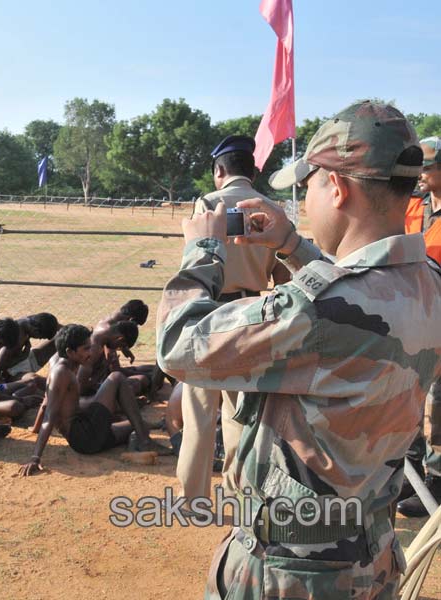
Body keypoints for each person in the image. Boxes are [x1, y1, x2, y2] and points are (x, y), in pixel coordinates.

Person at [156, 101, 433, 598]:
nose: (303, 201)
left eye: (307, 187)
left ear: (338, 187)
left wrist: (202, 250)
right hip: (372, 557)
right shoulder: (428, 284)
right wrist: (291, 244)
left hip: (290, 573)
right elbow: (359, 294)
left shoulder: (315, 311)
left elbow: (178, 346)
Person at [179, 135, 295, 507]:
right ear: (253, 170)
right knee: (239, 412)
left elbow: (195, 260)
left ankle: (192, 497)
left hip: (210, 312)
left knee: (199, 411)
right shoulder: (271, 209)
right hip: (249, 316)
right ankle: (239, 494)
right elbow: (282, 272)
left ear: (219, 170)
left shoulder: (210, 204)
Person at [19, 325, 166, 476]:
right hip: (85, 437)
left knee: (133, 424)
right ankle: (144, 441)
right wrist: (35, 458)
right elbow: (50, 414)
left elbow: (47, 403)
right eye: (86, 349)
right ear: (70, 352)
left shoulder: (68, 365)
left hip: (87, 435)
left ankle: (138, 438)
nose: (91, 353)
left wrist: (35, 428)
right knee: (116, 378)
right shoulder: (61, 373)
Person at [398, 136, 441, 517]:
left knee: (439, 404)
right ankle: (406, 473)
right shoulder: (414, 206)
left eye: (427, 167)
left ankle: (437, 484)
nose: (421, 175)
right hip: (411, 317)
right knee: (407, 395)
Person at [0, 312, 59, 379]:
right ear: (36, 330)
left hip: (26, 359)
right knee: (35, 380)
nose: (39, 339)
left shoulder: (29, 320)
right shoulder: (16, 336)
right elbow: (0, 365)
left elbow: (57, 326)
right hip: (13, 372)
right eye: (40, 337)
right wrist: (23, 356)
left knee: (61, 338)